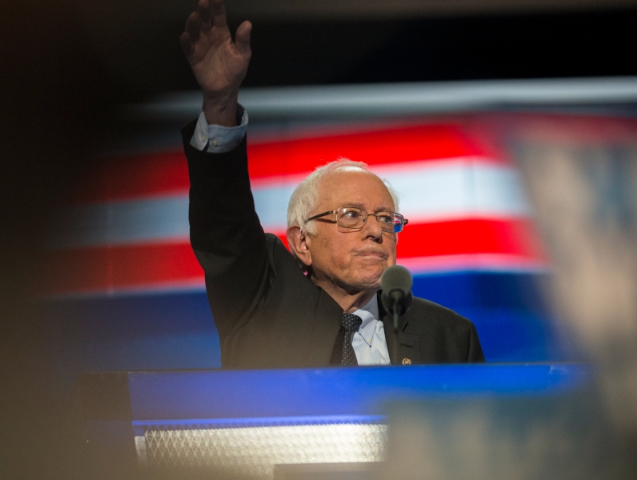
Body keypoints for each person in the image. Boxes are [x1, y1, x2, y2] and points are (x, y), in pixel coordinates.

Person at [180, 0, 484, 368]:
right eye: (351, 215)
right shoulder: (259, 300)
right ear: (301, 243)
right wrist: (221, 103)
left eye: (387, 219)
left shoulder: (449, 337)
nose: (376, 231)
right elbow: (223, 221)